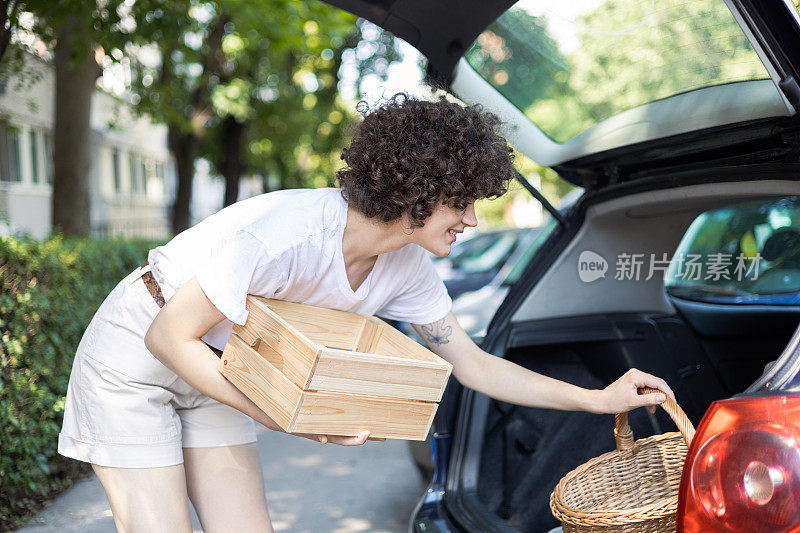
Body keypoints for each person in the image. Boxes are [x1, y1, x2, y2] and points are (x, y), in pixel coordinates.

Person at [58, 93, 674, 533]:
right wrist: (290, 416)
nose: (472, 221)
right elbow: (169, 337)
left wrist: (597, 400)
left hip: (221, 364)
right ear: (416, 188)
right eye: (461, 203)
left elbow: (474, 365)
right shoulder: (291, 232)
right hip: (138, 353)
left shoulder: (408, 267)